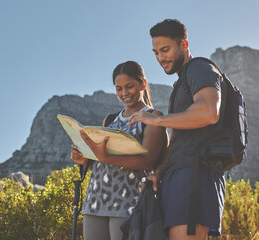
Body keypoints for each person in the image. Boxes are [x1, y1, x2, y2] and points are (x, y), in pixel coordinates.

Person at [129, 19, 226, 240]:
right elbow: (180, 140)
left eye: (165, 50)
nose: (160, 58)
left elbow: (210, 111)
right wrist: (159, 173)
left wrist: (158, 121)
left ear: (184, 45)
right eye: (155, 52)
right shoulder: (182, 82)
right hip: (179, 176)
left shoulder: (200, 68)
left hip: (196, 176)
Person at [71, 60, 168, 240]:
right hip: (95, 200)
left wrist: (105, 157)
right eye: (119, 89)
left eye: (129, 86)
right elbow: (104, 166)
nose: (124, 93)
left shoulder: (154, 117)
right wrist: (86, 161)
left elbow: (146, 161)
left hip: (129, 200)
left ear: (143, 84)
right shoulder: (109, 120)